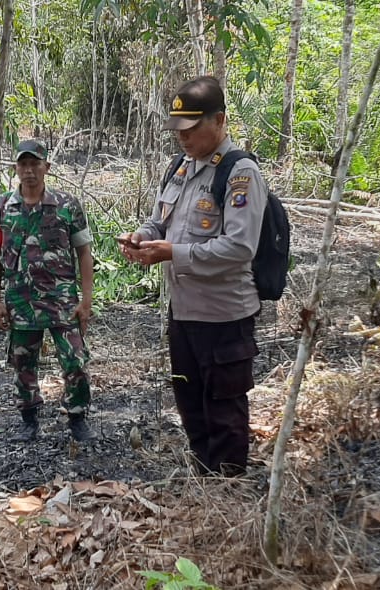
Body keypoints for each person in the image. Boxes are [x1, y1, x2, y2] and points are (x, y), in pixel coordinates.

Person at [120, 76, 267, 476]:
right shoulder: (180, 169)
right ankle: (204, 480)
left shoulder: (240, 174)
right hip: (183, 312)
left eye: (191, 129)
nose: (182, 139)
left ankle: (228, 489)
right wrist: (143, 238)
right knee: (190, 403)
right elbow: (159, 222)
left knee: (223, 407)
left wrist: (172, 253)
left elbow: (239, 247)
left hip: (223, 316)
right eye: (177, 130)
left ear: (218, 121)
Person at [0, 139, 96, 442]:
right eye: (23, 164)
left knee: (75, 361)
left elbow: (84, 253)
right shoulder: (2, 206)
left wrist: (86, 302)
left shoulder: (67, 205)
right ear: (16, 169)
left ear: (47, 167)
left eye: (35, 164)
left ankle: (77, 418)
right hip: (20, 303)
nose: (29, 170)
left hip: (62, 302)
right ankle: (29, 418)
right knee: (23, 362)